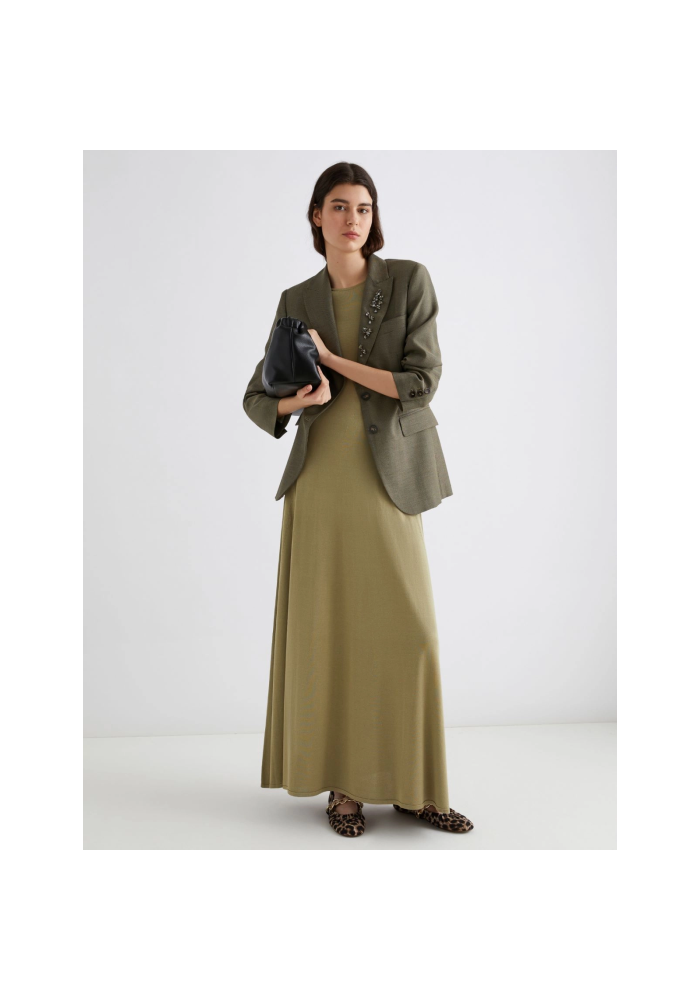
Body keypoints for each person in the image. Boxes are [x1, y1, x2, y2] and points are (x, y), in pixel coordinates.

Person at [243, 161, 473, 838]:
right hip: (320, 483)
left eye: (364, 208)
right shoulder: (297, 298)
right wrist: (303, 398)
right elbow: (257, 397)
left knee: (410, 633)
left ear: (374, 218)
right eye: (340, 207)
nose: (353, 220)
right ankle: (343, 790)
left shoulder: (407, 280)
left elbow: (420, 382)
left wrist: (333, 362)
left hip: (388, 478)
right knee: (331, 637)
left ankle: (416, 786)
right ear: (317, 216)